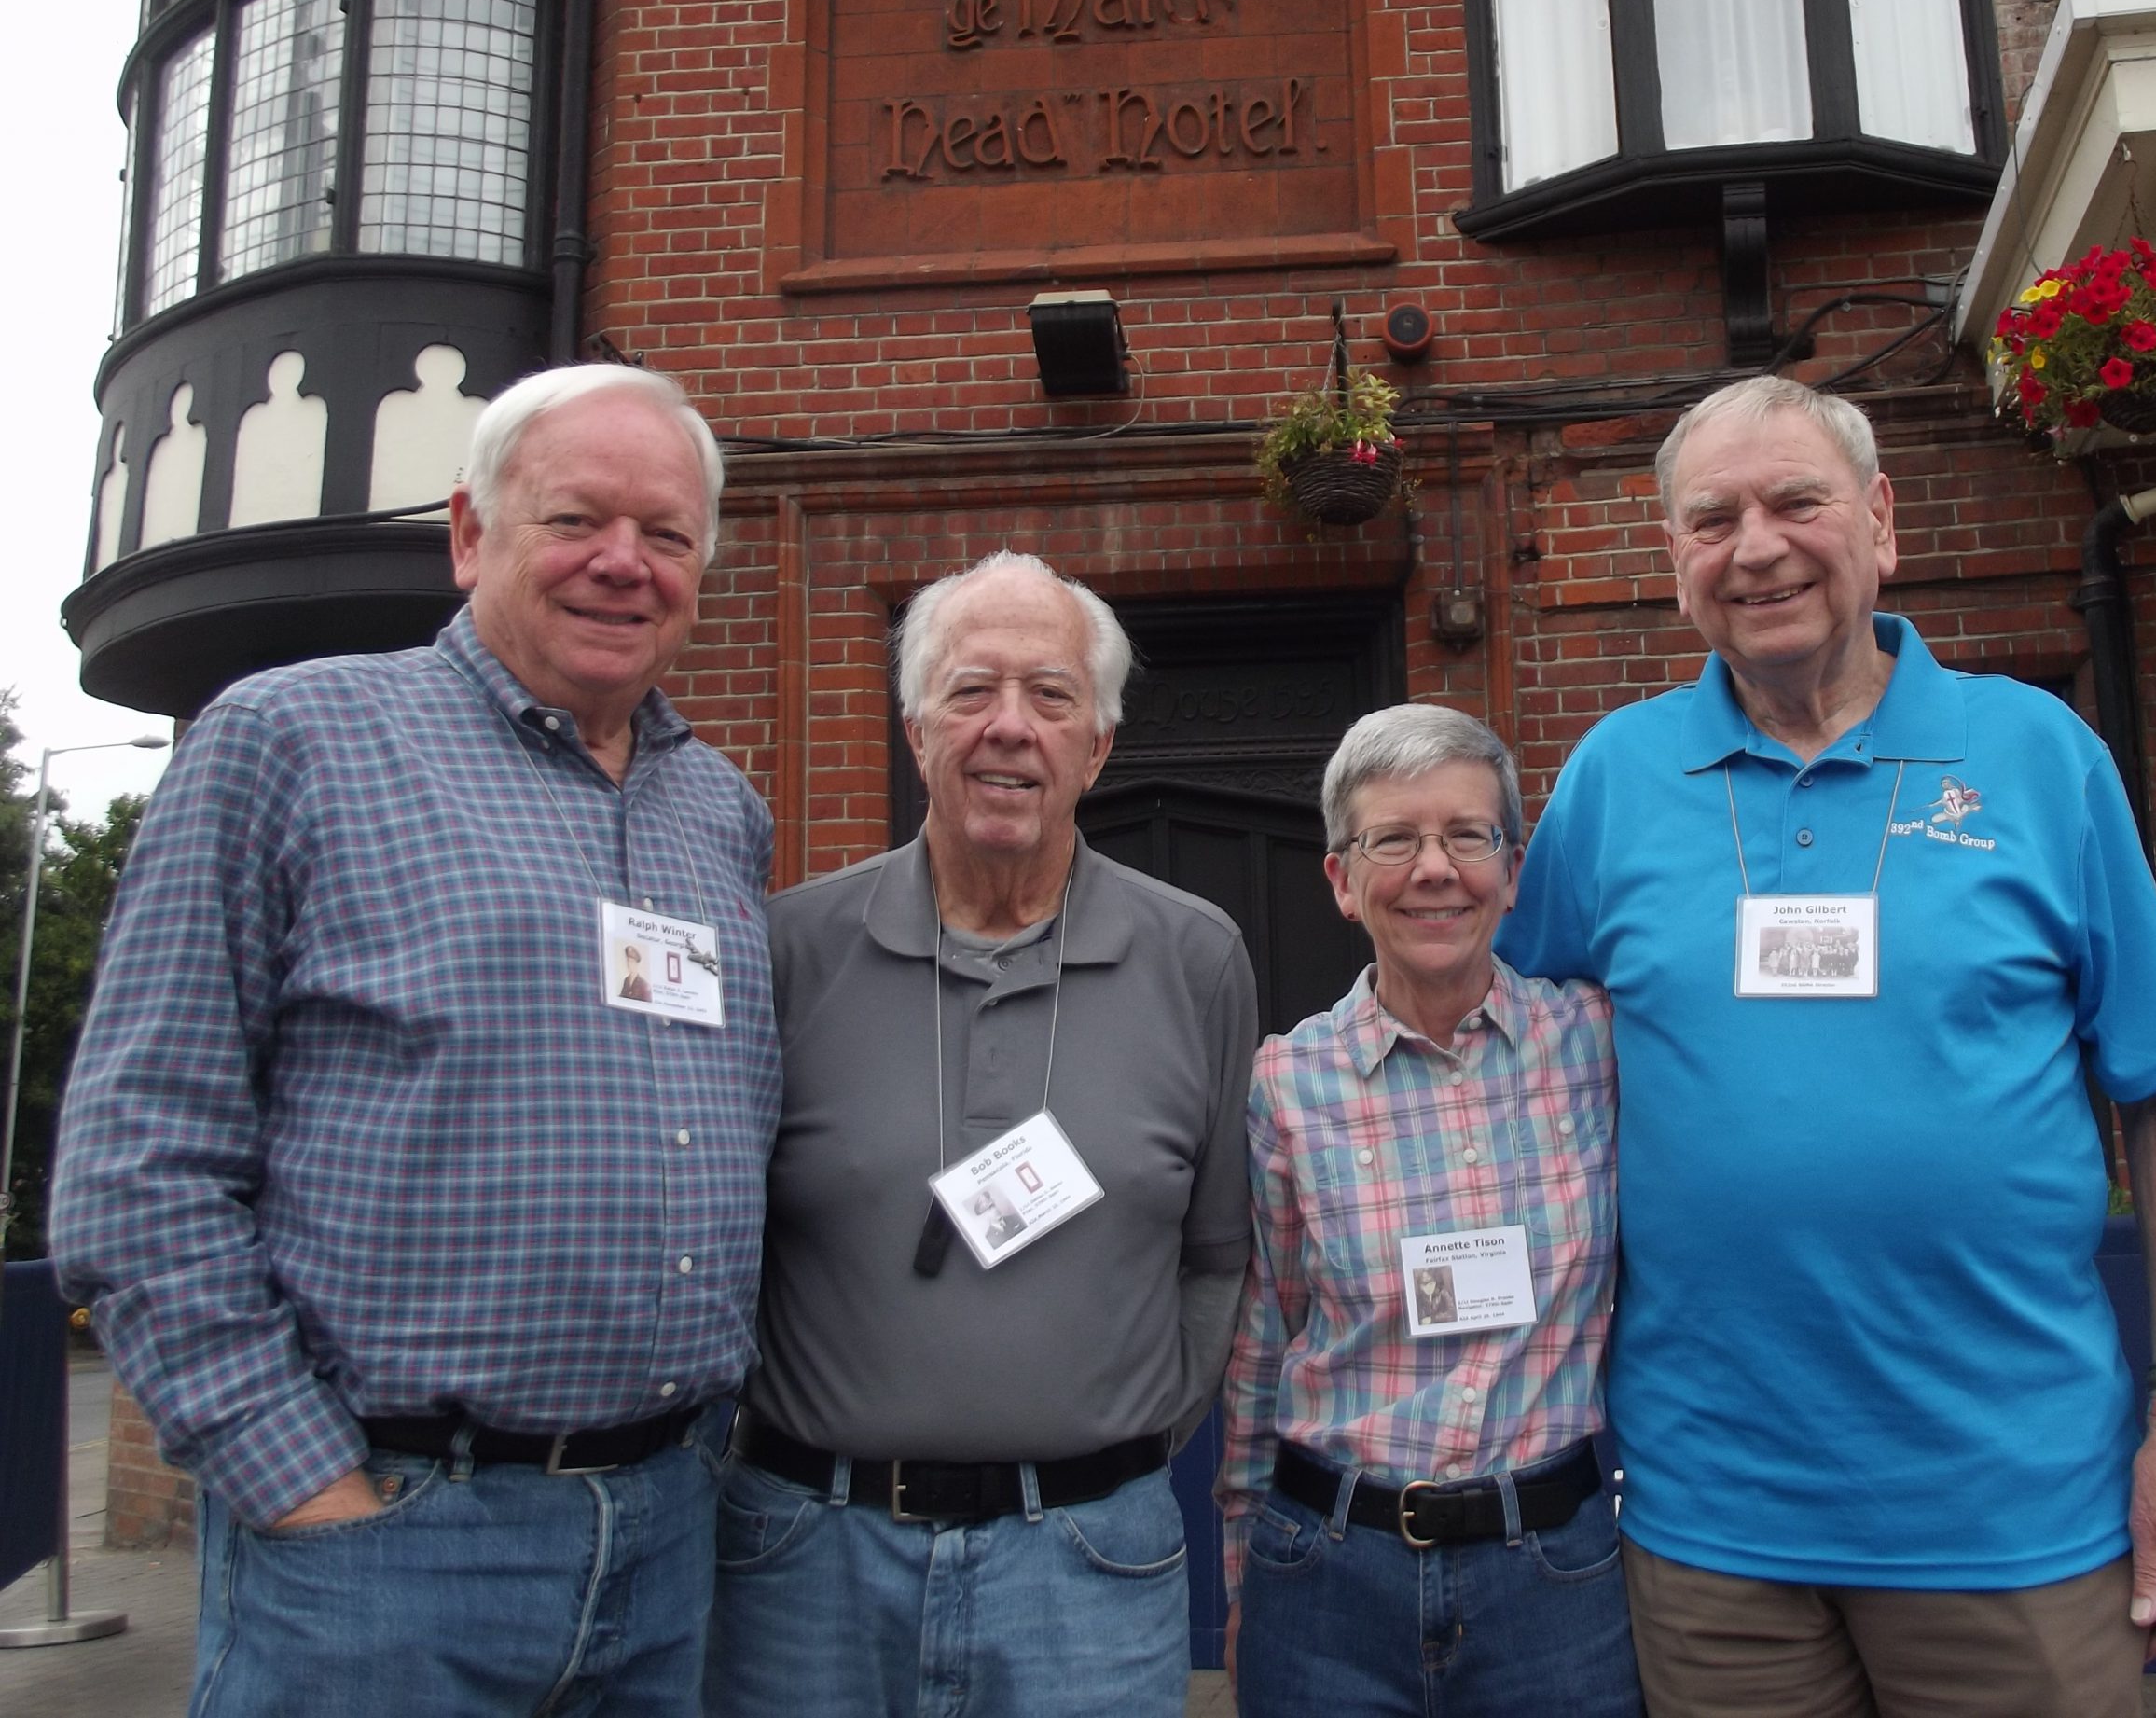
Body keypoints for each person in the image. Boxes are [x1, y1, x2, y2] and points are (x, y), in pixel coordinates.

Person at [1498, 377, 2156, 1717]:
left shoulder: (2038, 756)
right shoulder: (1612, 778)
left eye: (1796, 502)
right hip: (1712, 1531)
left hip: (2014, 1516)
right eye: (1712, 518)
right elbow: (1513, 1067)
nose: (1757, 546)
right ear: (1676, 558)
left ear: (1881, 521)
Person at [49, 363, 781, 1716]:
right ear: (467, 535)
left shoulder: (719, 812)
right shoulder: (289, 741)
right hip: (388, 1539)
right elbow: (136, 1165)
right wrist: (304, 1487)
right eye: (576, 521)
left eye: (667, 536)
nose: (624, 563)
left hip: (668, 1535)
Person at [707, 549, 1258, 1718]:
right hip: (809, 1563)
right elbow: (718, 1236)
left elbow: (1217, 1255)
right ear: (915, 729)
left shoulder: (1194, 954)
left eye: (1051, 696)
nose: (1009, 727)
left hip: (1089, 1564)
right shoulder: (788, 950)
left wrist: (1130, 1442)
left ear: (1098, 744)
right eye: (970, 691)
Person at [1221, 703, 1640, 1717]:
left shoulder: (1598, 1044)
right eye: (1393, 840)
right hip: (1328, 1573)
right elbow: (1264, 1338)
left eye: (1466, 834)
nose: (1434, 867)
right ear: (1342, 880)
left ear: (1510, 864)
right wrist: (1240, 1558)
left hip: (1556, 1577)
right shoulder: (1289, 1080)